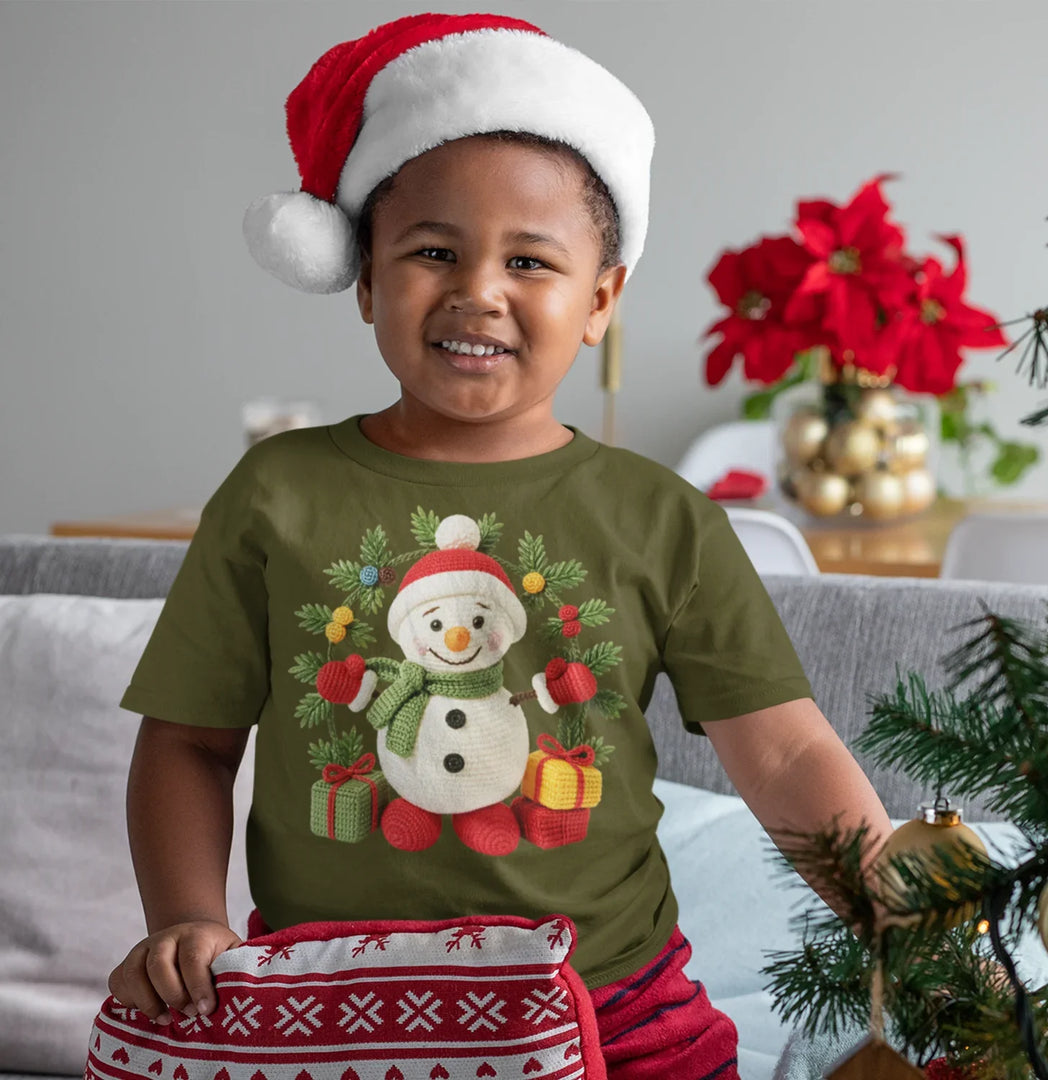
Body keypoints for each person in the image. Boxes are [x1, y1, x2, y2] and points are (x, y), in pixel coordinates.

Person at [107, 12, 893, 1078]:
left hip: (617, 1007)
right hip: (333, 1013)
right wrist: (187, 919)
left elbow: (787, 753)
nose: (479, 288)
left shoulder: (663, 518)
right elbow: (189, 742)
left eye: (530, 259)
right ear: (369, 281)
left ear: (600, 299)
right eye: (434, 251)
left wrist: (899, 911)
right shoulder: (275, 492)